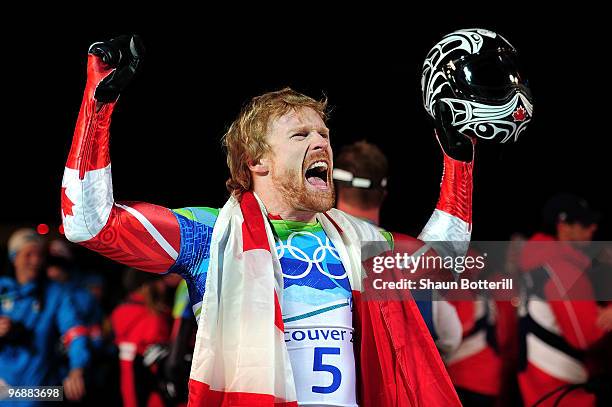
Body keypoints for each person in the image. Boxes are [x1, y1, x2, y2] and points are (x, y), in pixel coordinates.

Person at [61, 35, 476, 406]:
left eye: (323, 134)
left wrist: (459, 161)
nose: (321, 143)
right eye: (300, 135)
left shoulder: (358, 242)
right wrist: (98, 105)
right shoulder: (210, 236)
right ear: (255, 161)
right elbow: (89, 224)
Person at [333, 140, 462, 358]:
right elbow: (452, 337)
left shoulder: (313, 249)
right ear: (383, 194)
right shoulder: (411, 258)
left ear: (336, 186)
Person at [518, 193, 611, 406]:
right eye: (585, 223)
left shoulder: (543, 261)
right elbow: (584, 335)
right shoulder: (561, 267)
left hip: (541, 384)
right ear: (563, 226)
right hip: (561, 389)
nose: (593, 228)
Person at [0, 229, 89, 405]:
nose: (35, 261)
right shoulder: (2, 289)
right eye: (28, 254)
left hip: (41, 389)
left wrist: (77, 368)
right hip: (4, 388)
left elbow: (74, 330)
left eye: (40, 255)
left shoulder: (55, 293)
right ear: (14, 257)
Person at [111, 268, 171, 407]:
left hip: (126, 390)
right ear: (146, 286)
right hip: (151, 391)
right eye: (159, 280)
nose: (163, 285)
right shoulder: (154, 318)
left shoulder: (119, 312)